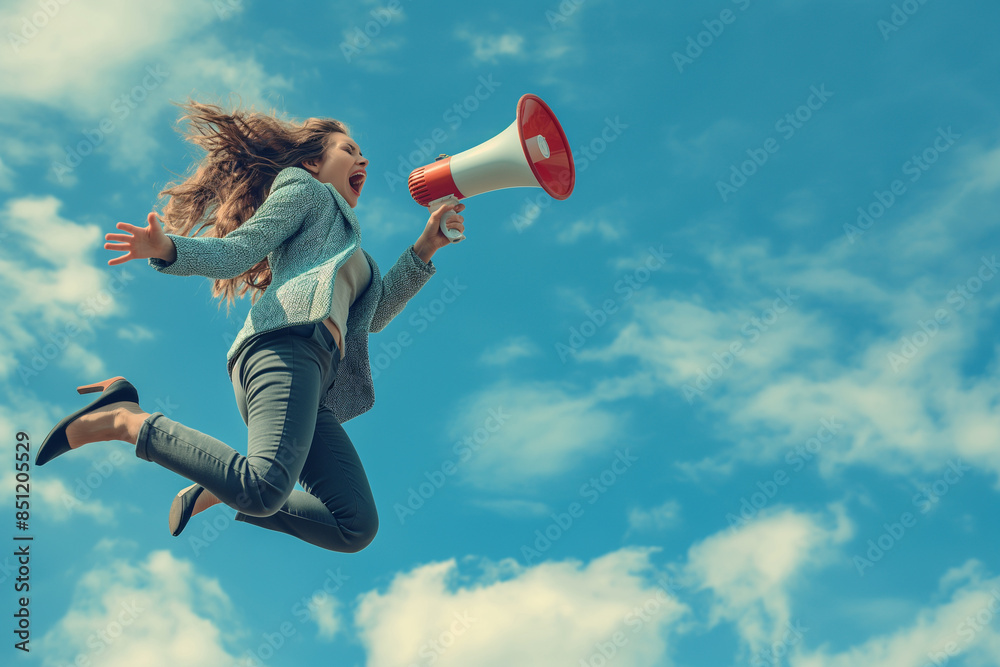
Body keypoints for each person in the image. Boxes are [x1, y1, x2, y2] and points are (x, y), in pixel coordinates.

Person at [35, 100, 466, 553]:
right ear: (312, 162)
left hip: (316, 381)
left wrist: (427, 245)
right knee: (262, 488)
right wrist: (169, 249)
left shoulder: (358, 256)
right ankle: (123, 418)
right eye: (349, 149)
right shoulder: (304, 190)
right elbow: (240, 250)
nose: (364, 160)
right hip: (285, 350)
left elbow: (373, 316)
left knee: (354, 525)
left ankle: (219, 485)